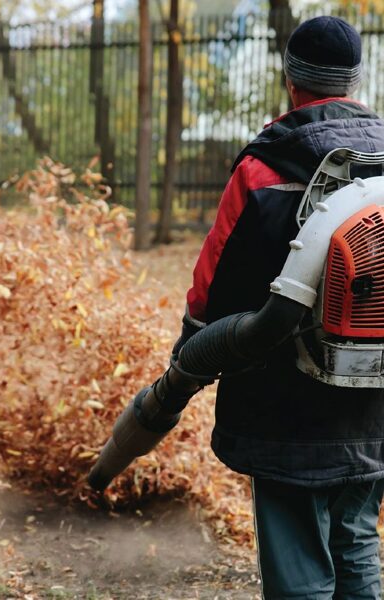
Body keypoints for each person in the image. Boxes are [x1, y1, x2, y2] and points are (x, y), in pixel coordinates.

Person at [175, 16, 384, 599]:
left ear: (291, 80)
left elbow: (213, 285)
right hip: (375, 400)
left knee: (297, 552)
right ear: (354, 80)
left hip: (284, 399)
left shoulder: (265, 166)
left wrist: (191, 346)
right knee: (357, 535)